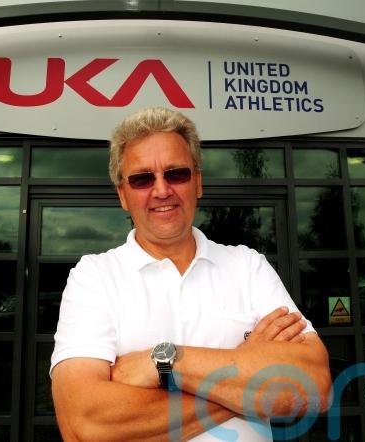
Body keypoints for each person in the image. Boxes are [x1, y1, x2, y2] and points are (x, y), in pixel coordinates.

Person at [50, 107, 331, 441]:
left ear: (197, 182)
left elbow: (315, 386)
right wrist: (244, 383)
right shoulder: (94, 276)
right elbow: (83, 424)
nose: (161, 190)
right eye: (142, 179)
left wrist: (166, 361)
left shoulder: (247, 266)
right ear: (122, 194)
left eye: (176, 174)